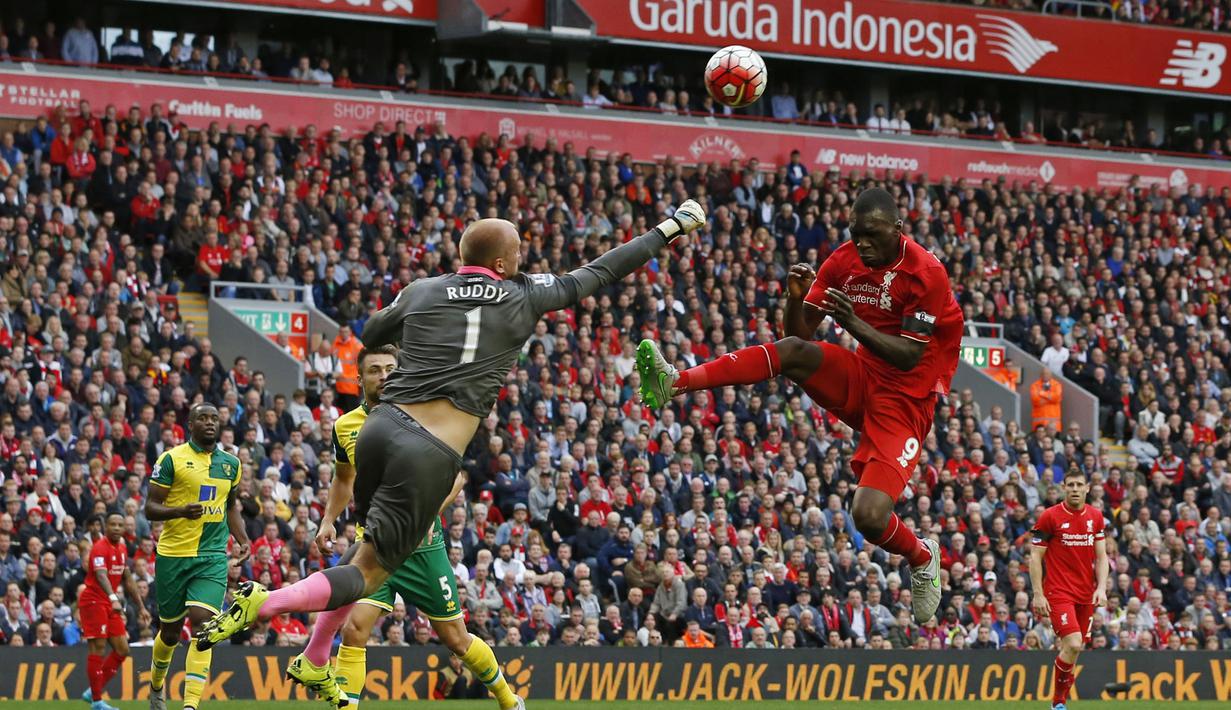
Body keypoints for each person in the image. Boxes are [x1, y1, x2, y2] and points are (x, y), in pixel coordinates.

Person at [197, 201, 708, 648]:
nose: (524, 263)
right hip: (429, 451)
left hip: (377, 427)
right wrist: (671, 227)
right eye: (519, 256)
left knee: (370, 554)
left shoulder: (424, 288)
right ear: (504, 264)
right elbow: (601, 271)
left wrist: (416, 309)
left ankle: (314, 658)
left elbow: (373, 332)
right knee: (367, 571)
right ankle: (267, 603)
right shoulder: (524, 294)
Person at [637, 187, 962, 624]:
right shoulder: (843, 262)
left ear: (898, 229)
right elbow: (801, 332)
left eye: (872, 234)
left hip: (906, 399)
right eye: (855, 233)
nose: (862, 242)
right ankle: (675, 381)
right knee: (791, 351)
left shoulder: (926, 272)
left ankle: (922, 556)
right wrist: (795, 298)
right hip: (862, 377)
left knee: (867, 516)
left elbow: (907, 355)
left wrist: (851, 322)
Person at [286, 345, 522, 710]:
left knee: (456, 639)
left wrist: (419, 514)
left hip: (421, 547)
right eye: (375, 370)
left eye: (390, 369)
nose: (383, 376)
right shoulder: (345, 426)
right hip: (374, 547)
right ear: (359, 378)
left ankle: (509, 700)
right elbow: (344, 477)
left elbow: (456, 478)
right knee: (354, 628)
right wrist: (328, 519)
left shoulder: (425, 416)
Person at [145, 403, 250, 710]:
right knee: (170, 632)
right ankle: (156, 685)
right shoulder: (171, 459)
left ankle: (190, 705)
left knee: (204, 624)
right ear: (189, 424)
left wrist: (242, 539)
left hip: (212, 556)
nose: (209, 423)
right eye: (202, 418)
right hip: (173, 556)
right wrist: (179, 511)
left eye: (214, 419)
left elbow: (230, 505)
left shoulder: (231, 463)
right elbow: (150, 507)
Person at [1029, 469, 1107, 710]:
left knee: (1074, 650)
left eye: (1079, 485)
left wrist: (1102, 588)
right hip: (1058, 592)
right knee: (1072, 644)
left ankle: (1059, 702)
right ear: (1064, 488)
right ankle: (1058, 702)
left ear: (1087, 489)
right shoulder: (1049, 517)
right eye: (1070, 485)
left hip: (1086, 593)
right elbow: (1035, 557)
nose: (1074, 489)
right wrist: (1038, 593)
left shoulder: (1096, 517)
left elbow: (1102, 557)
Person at [79, 512, 143, 710]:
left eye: (119, 525)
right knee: (97, 648)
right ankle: (97, 702)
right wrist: (114, 597)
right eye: (112, 524)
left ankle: (92, 691)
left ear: (124, 528)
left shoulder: (122, 548)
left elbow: (129, 579)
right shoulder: (99, 548)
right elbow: (100, 575)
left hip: (108, 603)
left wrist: (140, 606)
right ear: (106, 527)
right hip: (94, 601)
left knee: (123, 649)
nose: (116, 528)